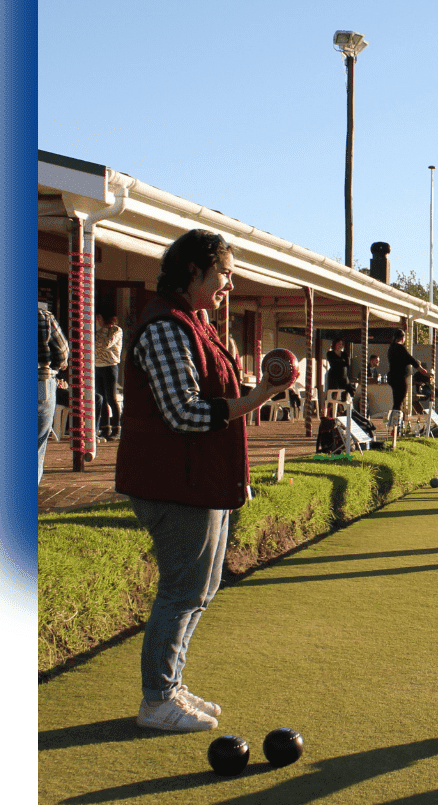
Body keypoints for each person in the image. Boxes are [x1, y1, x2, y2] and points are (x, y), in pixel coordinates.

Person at [115, 229, 298, 732]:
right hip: (173, 482)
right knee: (182, 590)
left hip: (201, 479)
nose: (229, 285)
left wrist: (261, 387)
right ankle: (156, 700)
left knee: (201, 587)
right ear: (194, 271)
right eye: (223, 274)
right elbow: (185, 414)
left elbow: (216, 391)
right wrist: (260, 396)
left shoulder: (198, 323)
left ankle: (170, 684)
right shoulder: (166, 327)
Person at [38, 302, 68, 483]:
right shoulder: (42, 316)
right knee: (37, 443)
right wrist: (55, 367)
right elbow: (63, 352)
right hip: (40, 382)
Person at [386, 327, 424, 443]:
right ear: (402, 338)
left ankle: (396, 426)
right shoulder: (399, 347)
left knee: (397, 402)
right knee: (398, 403)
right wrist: (420, 368)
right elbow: (410, 359)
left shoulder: (391, 348)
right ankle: (395, 428)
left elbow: (406, 359)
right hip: (399, 378)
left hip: (393, 377)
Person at [93, 313, 123, 441]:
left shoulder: (116, 330)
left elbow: (106, 344)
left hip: (110, 365)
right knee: (101, 398)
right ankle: (105, 428)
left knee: (111, 397)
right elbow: (92, 344)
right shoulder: (97, 331)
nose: (97, 320)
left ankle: (117, 428)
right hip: (97, 366)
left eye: (99, 317)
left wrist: (103, 329)